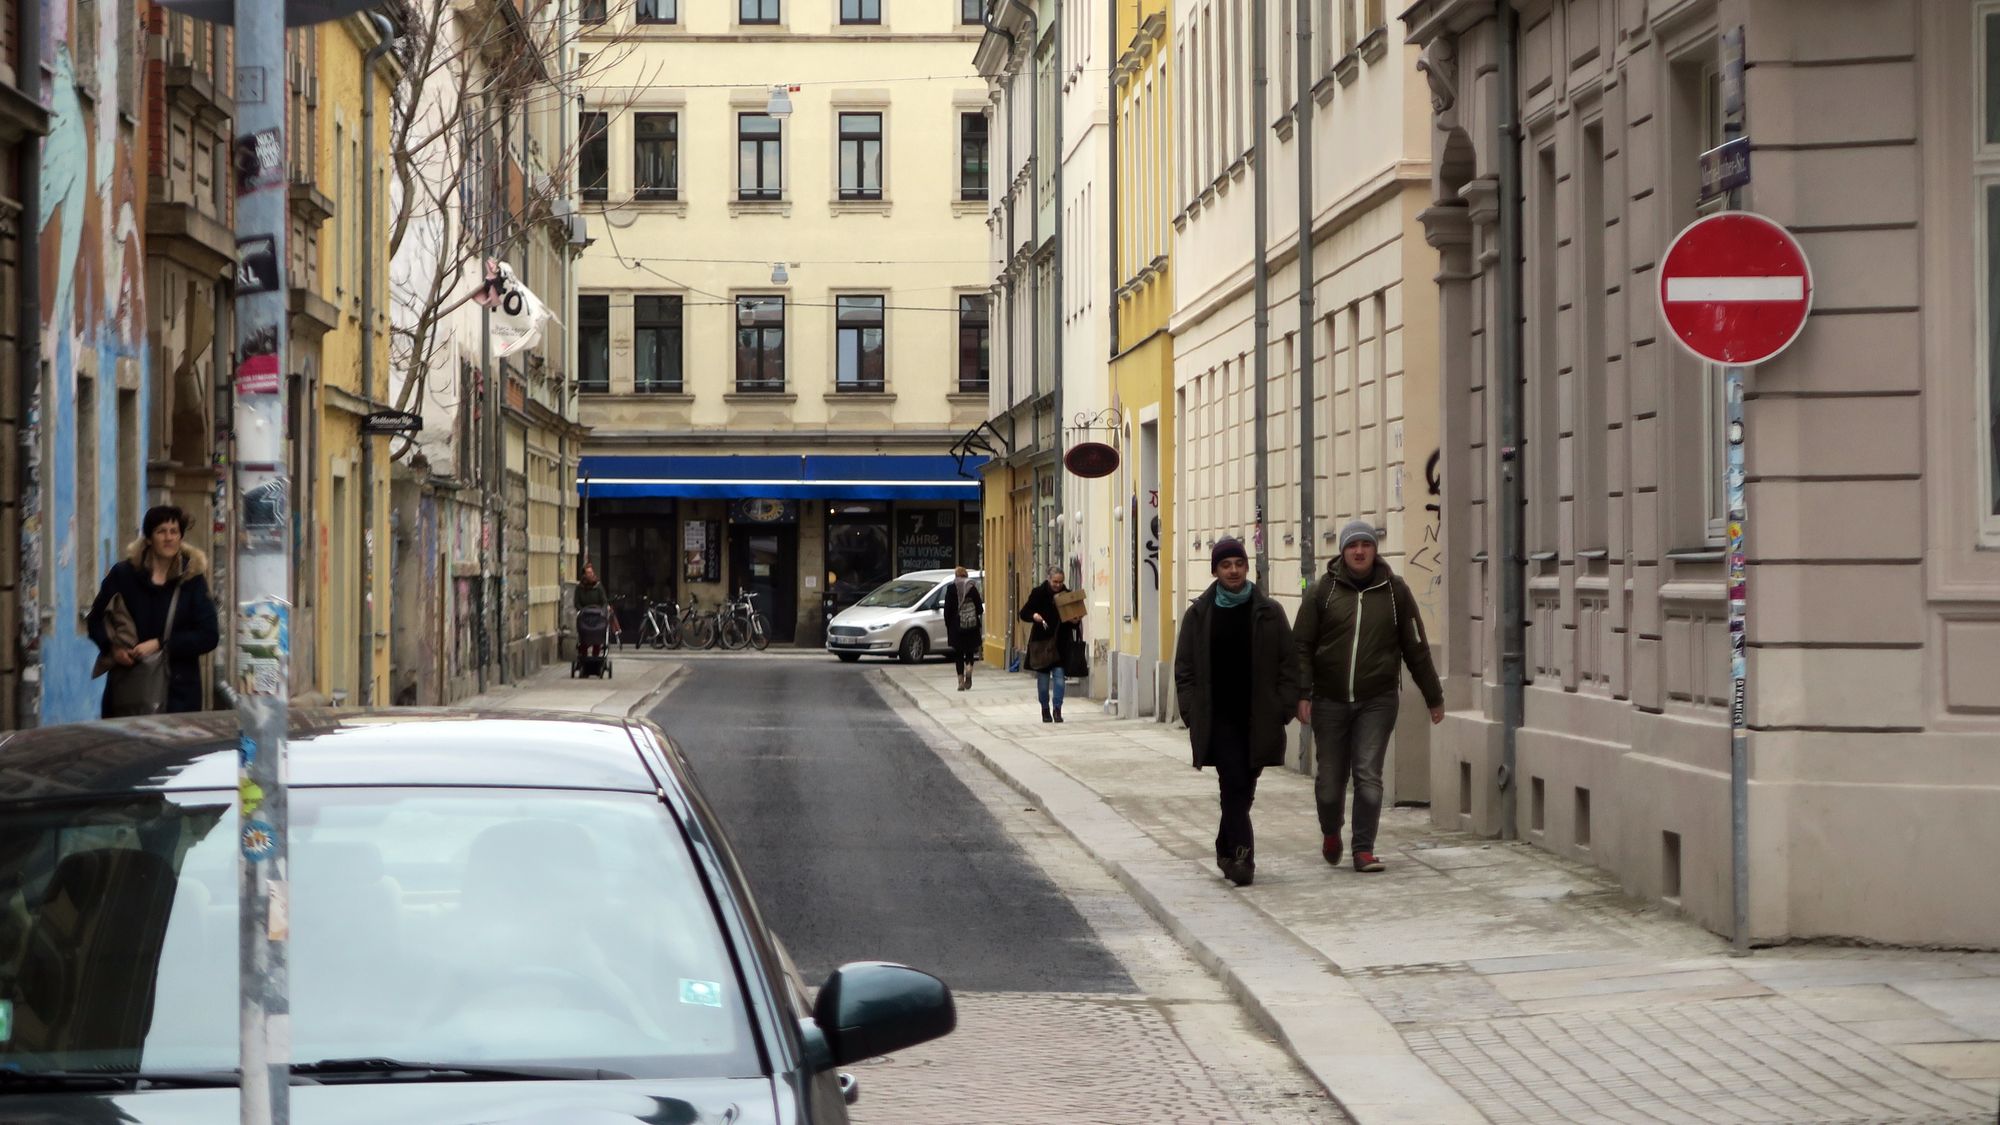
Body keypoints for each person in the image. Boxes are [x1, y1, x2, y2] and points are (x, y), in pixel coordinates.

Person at [1293, 519, 1445, 874]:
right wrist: (1302, 693)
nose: (1359, 551)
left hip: (1377, 699)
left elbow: (1415, 647)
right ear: (1342, 552)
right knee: (1329, 782)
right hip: (1329, 699)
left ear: (1375, 550)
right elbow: (1301, 645)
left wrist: (1433, 696)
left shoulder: (1394, 591)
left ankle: (1363, 849)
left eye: (1366, 545)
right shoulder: (1322, 591)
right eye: (1352, 546)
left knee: (1368, 775)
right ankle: (1331, 831)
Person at [1173, 537, 1301, 887]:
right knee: (1232, 781)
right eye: (1226, 565)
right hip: (1219, 717)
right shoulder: (1199, 614)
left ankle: (1224, 847)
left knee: (1244, 787)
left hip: (1259, 716)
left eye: (1239, 564)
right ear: (1215, 570)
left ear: (1247, 567)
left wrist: (1284, 708)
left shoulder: (1269, 612)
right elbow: (1185, 668)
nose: (1233, 571)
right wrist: (1191, 711)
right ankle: (1243, 857)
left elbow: (1289, 663)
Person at [86, 505, 221, 717]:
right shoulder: (123, 575)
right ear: (149, 538)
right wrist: (113, 649)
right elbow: (95, 620)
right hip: (129, 694)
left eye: (174, 532)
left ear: (180, 537)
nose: (168, 538)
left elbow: (209, 635)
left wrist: (161, 644)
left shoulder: (192, 580)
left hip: (178, 696)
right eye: (161, 531)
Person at [1018, 566, 1079, 722]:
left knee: (1059, 680)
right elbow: (1023, 613)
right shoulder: (1038, 593)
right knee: (1043, 683)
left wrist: (1075, 621)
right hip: (1042, 645)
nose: (1058, 585)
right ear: (1049, 579)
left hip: (1060, 644)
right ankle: (1045, 709)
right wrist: (1034, 616)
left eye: (1060, 582)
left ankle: (1057, 709)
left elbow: (1074, 621)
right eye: (1055, 582)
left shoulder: (1067, 595)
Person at [941, 566, 983, 691]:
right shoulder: (972, 588)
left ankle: (960, 681)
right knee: (970, 652)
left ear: (956, 576)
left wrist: (949, 625)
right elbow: (980, 609)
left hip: (956, 627)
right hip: (971, 627)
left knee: (958, 654)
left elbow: (947, 611)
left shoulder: (951, 589)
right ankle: (969, 669)